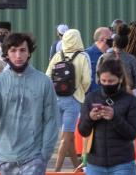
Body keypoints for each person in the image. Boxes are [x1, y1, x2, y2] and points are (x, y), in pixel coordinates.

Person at [0, 33, 60, 175]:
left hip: (34, 157)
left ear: (29, 53)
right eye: (13, 50)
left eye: (22, 50)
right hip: (5, 157)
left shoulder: (44, 82)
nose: (18, 55)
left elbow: (52, 119)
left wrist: (45, 153)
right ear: (6, 54)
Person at [78, 59, 136, 175]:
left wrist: (114, 117)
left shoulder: (131, 101)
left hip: (123, 163)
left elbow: (133, 133)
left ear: (120, 79)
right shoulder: (91, 98)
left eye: (111, 81)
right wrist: (90, 118)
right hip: (95, 164)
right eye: (103, 81)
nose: (107, 84)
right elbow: (82, 131)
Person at [46, 29, 92, 172]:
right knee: (66, 136)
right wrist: (80, 91)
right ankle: (57, 170)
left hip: (55, 98)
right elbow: (87, 80)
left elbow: (47, 76)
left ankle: (76, 167)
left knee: (69, 136)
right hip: (73, 99)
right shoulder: (83, 56)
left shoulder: (57, 56)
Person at [96, 24, 136, 90]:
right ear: (126, 44)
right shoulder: (132, 60)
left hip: (107, 93)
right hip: (125, 93)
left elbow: (98, 79)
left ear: (114, 42)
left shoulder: (103, 57)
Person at [86, 27, 113, 93]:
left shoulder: (111, 55)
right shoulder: (86, 55)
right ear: (103, 39)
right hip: (91, 98)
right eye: (110, 38)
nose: (112, 40)